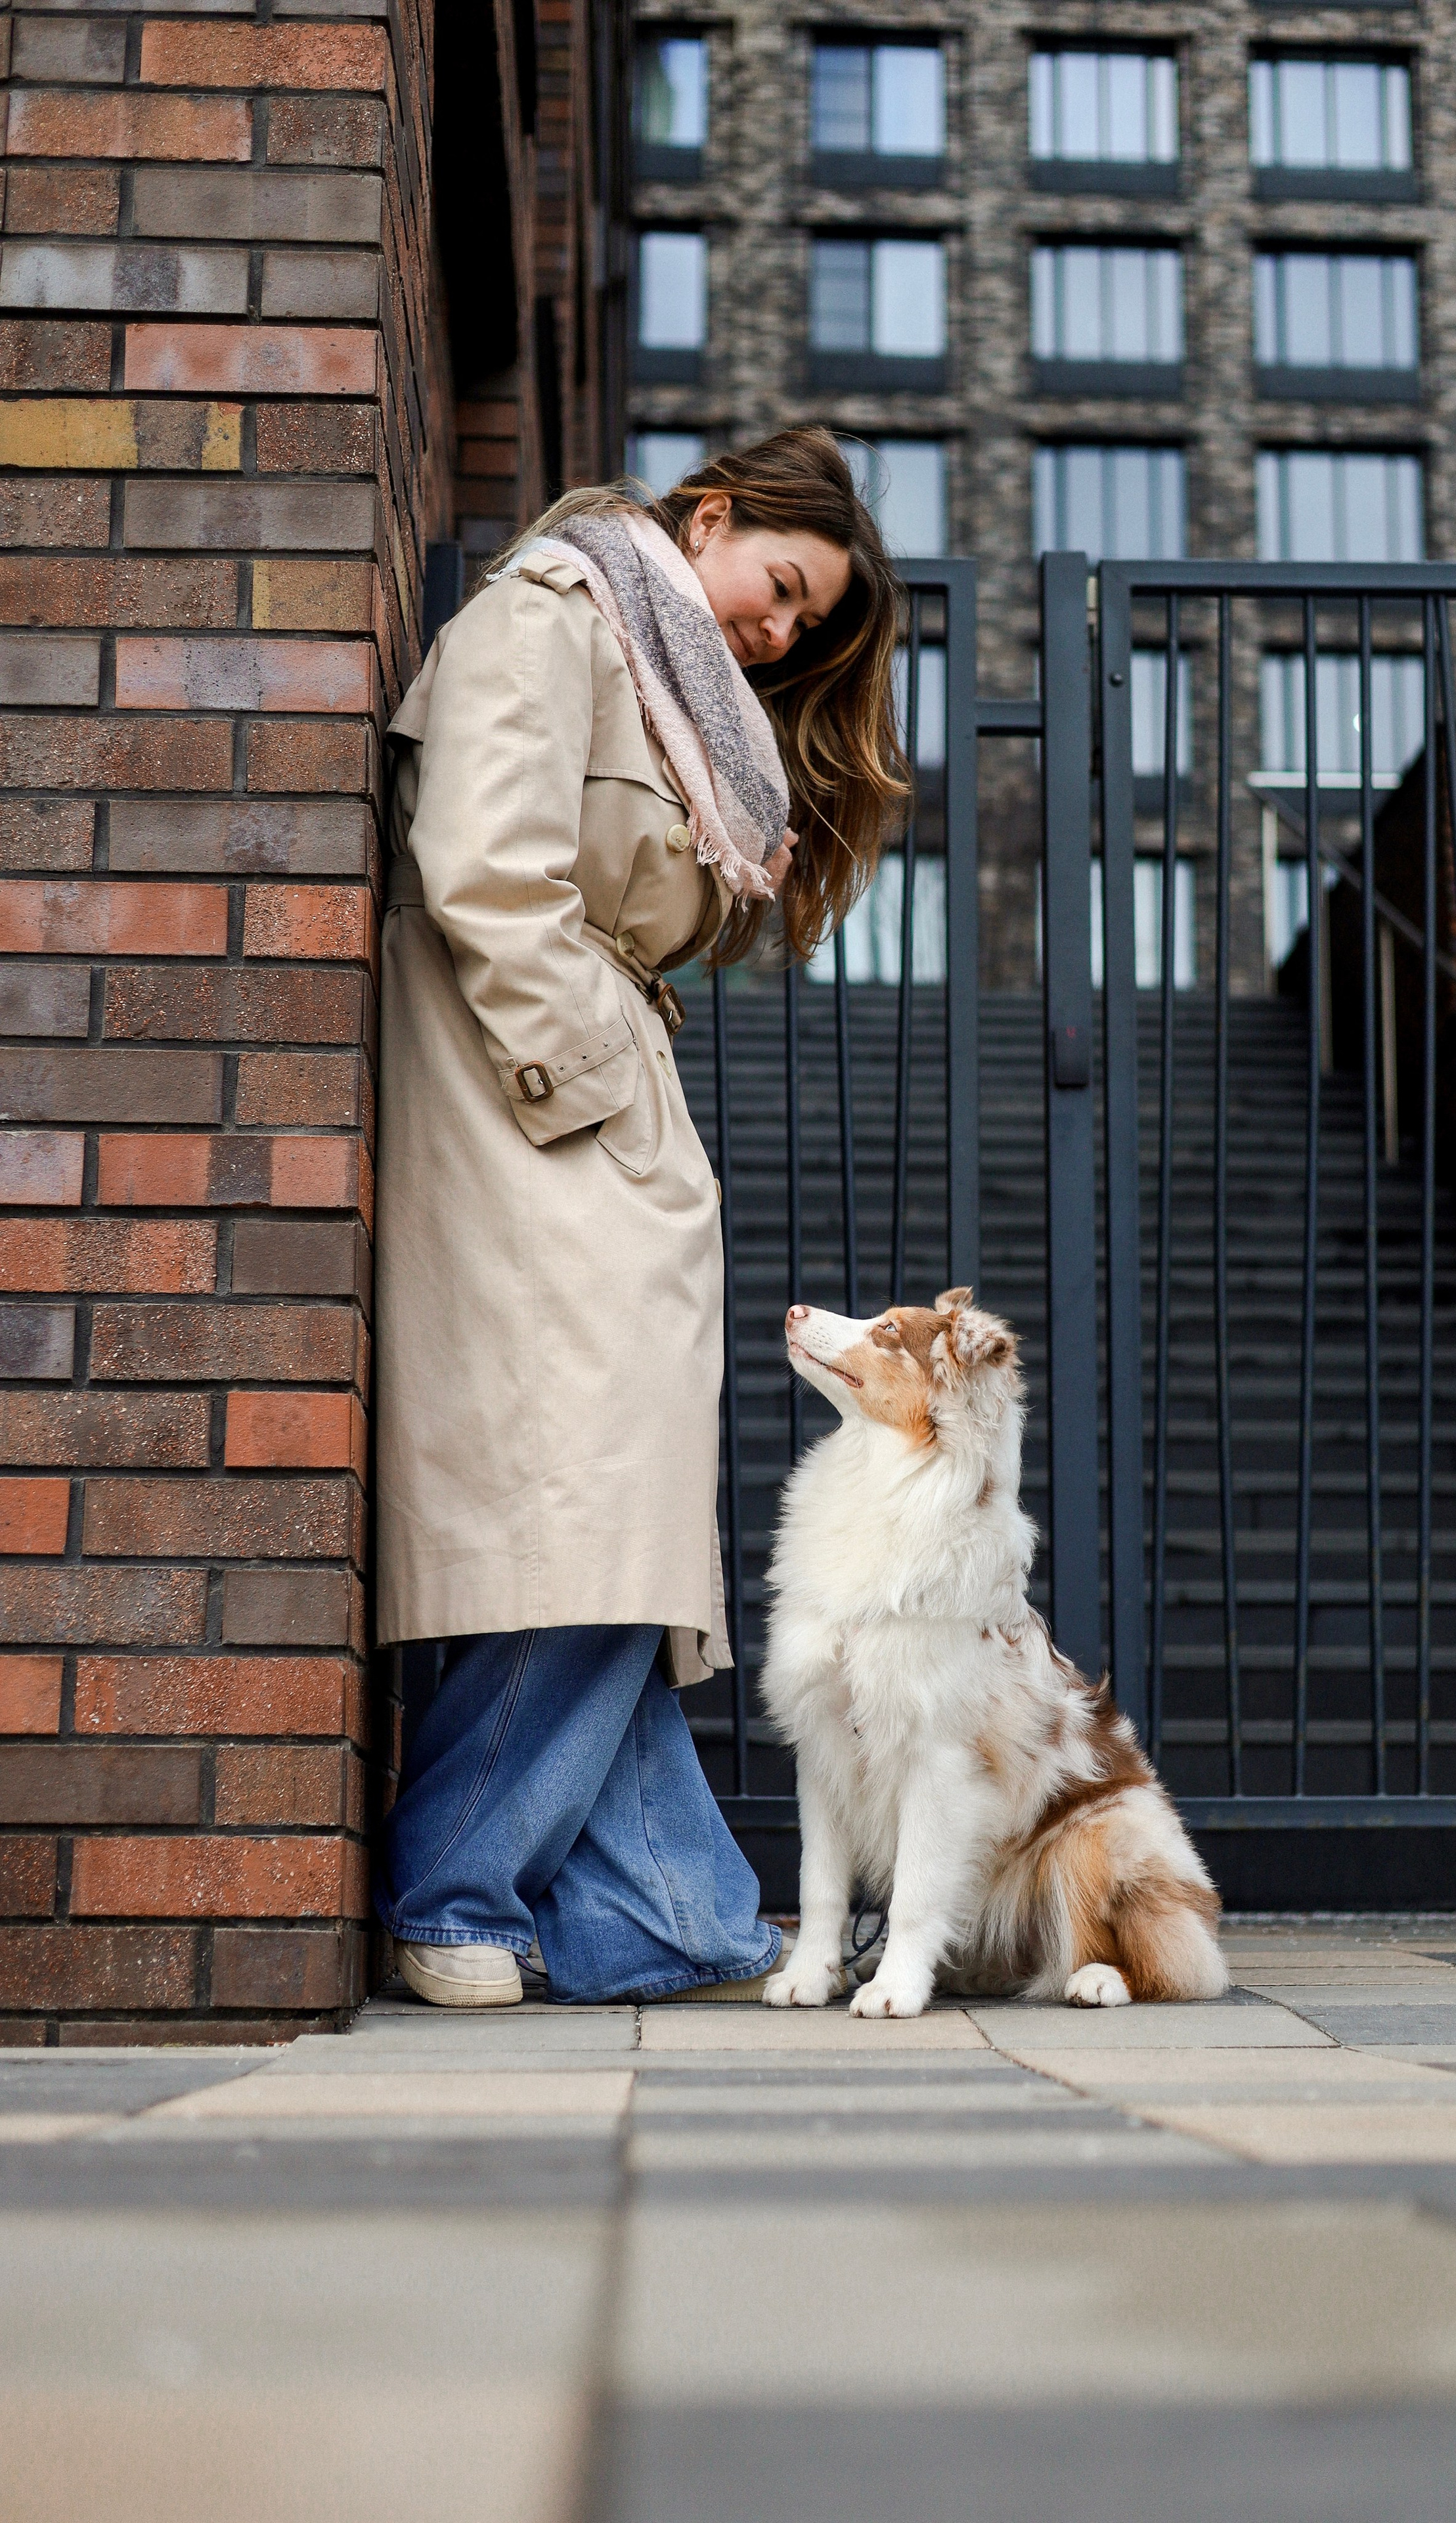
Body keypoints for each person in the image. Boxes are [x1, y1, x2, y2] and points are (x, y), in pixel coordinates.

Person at [374, 429, 908, 2006]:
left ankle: (670, 1915)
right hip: (528, 1109)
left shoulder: (667, 677)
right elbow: (481, 865)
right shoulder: (561, 605)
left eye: (804, 626)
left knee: (608, 1519)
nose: (779, 631)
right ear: (715, 513)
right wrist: (600, 1084)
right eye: (782, 586)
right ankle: (451, 1890)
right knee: (587, 1524)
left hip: (583, 1119)